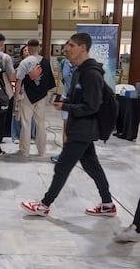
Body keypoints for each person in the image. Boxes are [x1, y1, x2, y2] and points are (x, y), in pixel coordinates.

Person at [21, 33, 116, 217]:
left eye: (71, 45)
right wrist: (67, 101)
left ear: (82, 47)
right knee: (92, 166)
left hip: (83, 129)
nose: (66, 49)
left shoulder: (91, 73)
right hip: (80, 128)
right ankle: (107, 204)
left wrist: (67, 106)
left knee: (62, 167)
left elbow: (92, 105)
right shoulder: (80, 70)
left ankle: (44, 204)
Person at [13, 39, 56, 157]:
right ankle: (42, 150)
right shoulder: (46, 62)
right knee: (40, 123)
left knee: (26, 123)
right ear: (39, 48)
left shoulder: (25, 62)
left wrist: (17, 95)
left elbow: (19, 81)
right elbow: (50, 81)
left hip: (27, 95)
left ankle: (25, 151)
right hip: (42, 96)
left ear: (28, 48)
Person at [51, 41, 77, 163]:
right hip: (67, 99)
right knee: (66, 127)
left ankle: (76, 153)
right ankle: (65, 154)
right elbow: (64, 81)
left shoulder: (83, 65)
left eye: (68, 51)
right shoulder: (63, 63)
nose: (66, 54)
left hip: (79, 101)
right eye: (64, 51)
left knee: (78, 129)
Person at [11, 45, 36, 144]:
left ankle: (31, 136)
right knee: (17, 114)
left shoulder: (36, 64)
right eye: (25, 50)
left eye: (28, 50)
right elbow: (12, 77)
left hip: (32, 92)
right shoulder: (17, 64)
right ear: (22, 53)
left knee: (32, 115)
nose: (27, 51)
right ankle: (15, 136)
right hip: (19, 90)